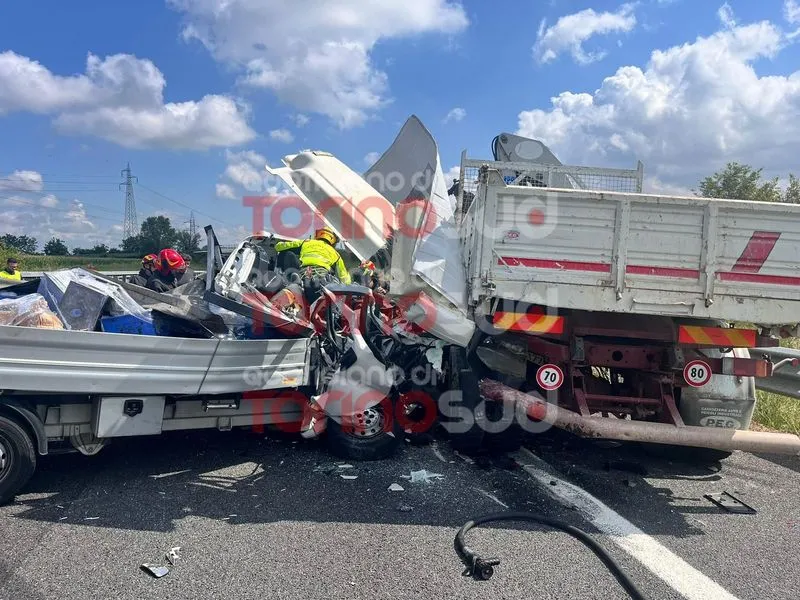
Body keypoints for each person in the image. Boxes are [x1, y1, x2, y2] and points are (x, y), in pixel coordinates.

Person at [275, 227, 351, 302]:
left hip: (303, 273)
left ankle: (291, 280)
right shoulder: (336, 254)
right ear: (334, 240)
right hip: (321, 278)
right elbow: (344, 278)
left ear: (318, 234)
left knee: (286, 253)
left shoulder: (306, 242)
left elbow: (278, 247)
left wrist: (280, 243)